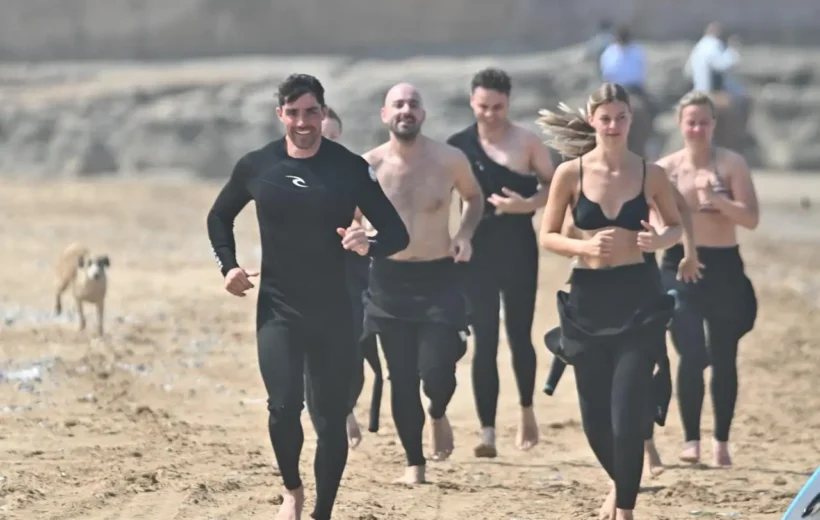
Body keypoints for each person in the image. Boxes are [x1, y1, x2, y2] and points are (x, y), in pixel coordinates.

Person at [206, 73, 409, 520]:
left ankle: (322, 513)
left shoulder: (350, 168)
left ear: (322, 112)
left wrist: (367, 241)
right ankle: (293, 491)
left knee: (331, 421)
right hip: (278, 308)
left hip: (335, 312)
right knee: (282, 407)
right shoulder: (257, 166)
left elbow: (397, 233)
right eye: (293, 112)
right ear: (280, 114)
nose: (303, 121)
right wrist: (230, 266)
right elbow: (219, 217)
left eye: (311, 111)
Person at [536, 82, 685, 520]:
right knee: (595, 421)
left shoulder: (649, 173)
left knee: (625, 417)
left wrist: (658, 238)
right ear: (592, 120)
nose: (614, 125)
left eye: (621, 117)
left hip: (638, 299)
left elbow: (675, 226)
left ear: (630, 120)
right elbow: (547, 235)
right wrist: (582, 248)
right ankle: (620, 489)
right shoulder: (571, 174)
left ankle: (625, 509)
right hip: (588, 303)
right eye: (606, 118)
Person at [362, 82, 484, 485]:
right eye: (398, 104)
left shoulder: (449, 159)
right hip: (388, 280)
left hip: (438, 276)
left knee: (437, 370)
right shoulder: (368, 166)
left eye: (413, 104)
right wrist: (355, 236)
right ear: (385, 115)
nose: (405, 110)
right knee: (401, 374)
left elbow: (474, 197)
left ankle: (437, 410)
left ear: (423, 114)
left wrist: (464, 233)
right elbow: (348, 218)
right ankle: (414, 462)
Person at [446, 68, 555, 458]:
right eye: (483, 106)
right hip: (476, 251)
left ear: (508, 103)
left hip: (518, 247)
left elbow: (556, 185)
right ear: (472, 103)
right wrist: (452, 238)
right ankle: (487, 431)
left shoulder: (526, 142)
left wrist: (526, 205)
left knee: (520, 335)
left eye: (497, 106)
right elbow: (439, 194)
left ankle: (526, 410)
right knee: (485, 339)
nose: (490, 113)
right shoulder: (458, 145)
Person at [655, 90, 759, 468]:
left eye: (704, 121)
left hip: (724, 267)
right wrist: (678, 246)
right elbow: (656, 221)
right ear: (680, 124)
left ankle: (721, 442)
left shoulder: (732, 165)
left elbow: (750, 219)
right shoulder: (664, 169)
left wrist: (719, 201)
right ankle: (691, 441)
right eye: (690, 121)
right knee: (691, 353)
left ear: (714, 125)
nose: (697, 128)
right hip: (678, 266)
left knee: (724, 356)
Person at [302, 107, 386, 450]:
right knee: (314, 358)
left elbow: (380, 219)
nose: (329, 144)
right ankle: (329, 426)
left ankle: (346, 406)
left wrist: (366, 232)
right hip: (307, 282)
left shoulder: (355, 175)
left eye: (335, 137)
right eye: (324, 137)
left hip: (353, 277)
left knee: (355, 361)